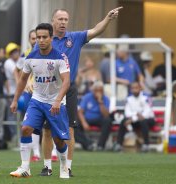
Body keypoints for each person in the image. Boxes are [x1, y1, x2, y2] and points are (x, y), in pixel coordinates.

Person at [39, 7, 122, 177]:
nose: (63, 22)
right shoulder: (45, 40)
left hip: (69, 90)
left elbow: (96, 30)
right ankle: (47, 167)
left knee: (69, 129)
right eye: (60, 19)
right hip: (49, 90)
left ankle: (67, 168)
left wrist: (107, 18)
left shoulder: (75, 38)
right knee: (47, 130)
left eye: (66, 19)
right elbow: (34, 62)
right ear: (53, 21)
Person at [9, 23, 71, 179]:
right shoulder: (30, 57)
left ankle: (64, 166)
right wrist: (15, 100)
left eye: (44, 37)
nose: (41, 40)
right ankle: (25, 168)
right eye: (38, 37)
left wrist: (57, 100)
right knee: (25, 129)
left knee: (59, 140)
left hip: (55, 102)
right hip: (37, 100)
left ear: (51, 38)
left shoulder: (60, 57)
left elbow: (66, 81)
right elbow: (23, 79)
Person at [16, 29, 41, 162]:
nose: (35, 41)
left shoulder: (45, 54)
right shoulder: (25, 54)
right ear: (29, 40)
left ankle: (52, 152)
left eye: (36, 38)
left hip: (43, 92)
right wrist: (21, 84)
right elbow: (18, 70)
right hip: (29, 93)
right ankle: (36, 153)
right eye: (32, 38)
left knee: (47, 124)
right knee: (30, 122)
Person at [114, 82, 155, 153]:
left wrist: (133, 118)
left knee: (143, 121)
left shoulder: (146, 97)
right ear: (131, 89)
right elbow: (127, 113)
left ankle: (146, 145)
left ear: (140, 88)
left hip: (148, 120)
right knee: (123, 121)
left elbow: (146, 113)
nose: (135, 90)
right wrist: (136, 114)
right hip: (135, 121)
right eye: (133, 88)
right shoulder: (129, 99)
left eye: (136, 88)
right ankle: (119, 144)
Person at [76, 81, 112, 151]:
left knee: (108, 121)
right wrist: (84, 123)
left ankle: (100, 146)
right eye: (96, 90)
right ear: (93, 90)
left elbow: (106, 115)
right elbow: (80, 112)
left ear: (103, 91)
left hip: (99, 119)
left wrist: (100, 102)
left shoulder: (106, 99)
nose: (98, 92)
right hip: (87, 119)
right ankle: (89, 144)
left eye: (100, 90)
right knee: (74, 125)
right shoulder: (87, 97)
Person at [3, 42, 20, 139]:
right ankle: (14, 136)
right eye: (13, 52)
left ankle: (20, 137)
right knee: (12, 115)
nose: (16, 53)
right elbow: (16, 76)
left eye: (16, 51)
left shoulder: (19, 61)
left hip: (18, 93)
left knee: (20, 116)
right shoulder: (8, 62)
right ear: (9, 54)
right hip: (11, 93)